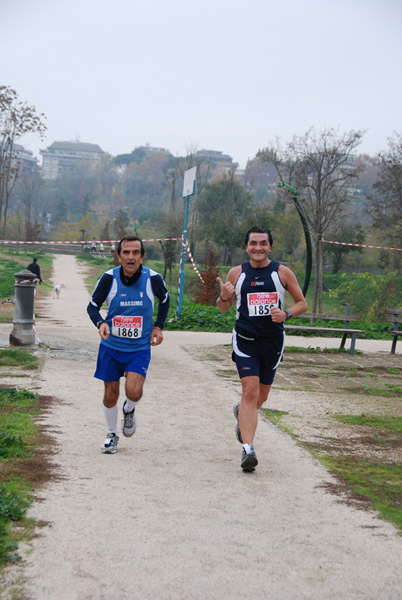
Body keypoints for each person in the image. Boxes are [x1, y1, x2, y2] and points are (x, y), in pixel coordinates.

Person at [217, 226, 308, 472]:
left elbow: (302, 304)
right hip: (245, 340)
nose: (258, 247)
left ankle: (243, 415)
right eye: (253, 243)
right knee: (249, 390)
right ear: (246, 247)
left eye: (263, 243)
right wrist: (225, 296)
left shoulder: (282, 272)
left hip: (273, 342)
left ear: (270, 246)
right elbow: (222, 309)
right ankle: (248, 450)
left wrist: (285, 314)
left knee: (260, 397)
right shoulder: (236, 273)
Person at [87, 235, 170, 454]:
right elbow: (92, 306)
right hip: (111, 347)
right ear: (118, 256)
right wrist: (101, 323)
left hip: (139, 348)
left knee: (133, 392)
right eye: (126, 252)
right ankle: (112, 434)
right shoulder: (108, 278)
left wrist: (158, 326)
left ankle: (129, 409)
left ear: (142, 256)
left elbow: (164, 300)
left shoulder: (153, 279)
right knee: (110, 394)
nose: (130, 257)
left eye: (135, 253)